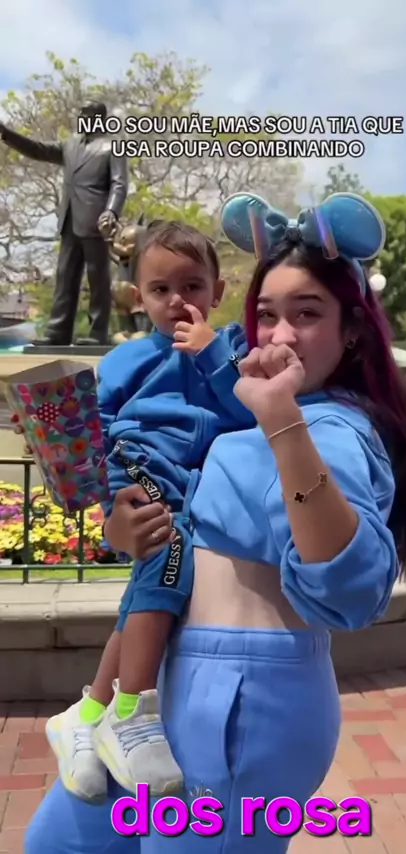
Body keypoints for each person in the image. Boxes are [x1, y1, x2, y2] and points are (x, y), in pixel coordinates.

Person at [25, 192, 406, 854]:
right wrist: (119, 525)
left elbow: (352, 590)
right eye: (267, 314)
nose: (279, 335)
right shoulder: (244, 400)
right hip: (165, 680)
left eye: (307, 313)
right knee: (57, 844)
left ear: (353, 330)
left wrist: (281, 420)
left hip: (241, 702)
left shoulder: (331, 427)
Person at [14, 219, 254, 800]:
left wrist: (211, 355)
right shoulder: (127, 359)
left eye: (192, 286)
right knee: (169, 550)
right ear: (138, 297)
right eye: (160, 289)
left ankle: (88, 713)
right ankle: (132, 713)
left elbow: (250, 412)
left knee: (158, 574)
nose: (177, 301)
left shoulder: (231, 350)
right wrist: (55, 442)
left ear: (217, 292)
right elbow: (92, 425)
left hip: (193, 481)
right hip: (138, 460)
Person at [0, 100, 128, 346]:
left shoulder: (113, 145)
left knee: (98, 278)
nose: (80, 117)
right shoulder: (70, 145)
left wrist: (111, 211)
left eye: (85, 114)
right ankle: (58, 332)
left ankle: (97, 333)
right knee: (65, 275)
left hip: (96, 221)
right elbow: (38, 149)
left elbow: (119, 184)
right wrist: (6, 134)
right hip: (69, 219)